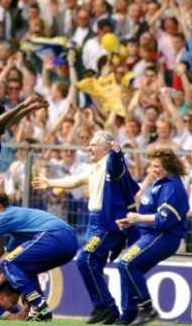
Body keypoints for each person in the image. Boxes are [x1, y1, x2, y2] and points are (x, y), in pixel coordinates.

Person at [32, 132, 140, 325]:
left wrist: (118, 153)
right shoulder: (94, 168)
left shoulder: (110, 163)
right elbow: (74, 181)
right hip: (95, 222)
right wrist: (49, 183)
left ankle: (105, 307)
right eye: (89, 145)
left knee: (85, 259)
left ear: (106, 148)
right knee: (92, 264)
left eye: (92, 145)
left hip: (107, 222)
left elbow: (118, 166)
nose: (88, 148)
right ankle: (109, 311)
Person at [0, 191, 78, 322]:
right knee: (24, 269)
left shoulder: (6, 216)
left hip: (55, 237)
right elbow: (6, 255)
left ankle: (38, 303)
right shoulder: (19, 224)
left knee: (8, 264)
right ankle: (40, 313)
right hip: (70, 244)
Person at [116, 149, 189, 326]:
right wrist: (132, 222)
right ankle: (127, 317)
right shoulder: (159, 183)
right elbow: (149, 213)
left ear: (169, 168)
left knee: (126, 263)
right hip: (151, 234)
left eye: (157, 166)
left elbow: (164, 219)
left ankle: (148, 309)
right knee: (128, 269)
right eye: (151, 165)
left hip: (164, 236)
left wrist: (139, 218)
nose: (152, 169)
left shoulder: (173, 187)